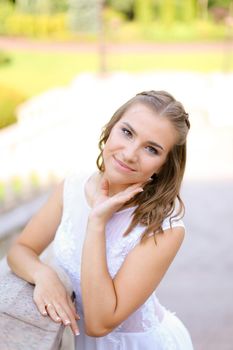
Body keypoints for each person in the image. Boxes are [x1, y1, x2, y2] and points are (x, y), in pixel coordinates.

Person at [7, 90, 194, 349]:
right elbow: (21, 249)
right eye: (127, 132)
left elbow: (99, 323)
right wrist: (43, 275)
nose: (130, 154)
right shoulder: (71, 186)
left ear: (162, 165)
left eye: (151, 149)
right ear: (110, 129)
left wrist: (97, 221)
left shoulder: (164, 228)